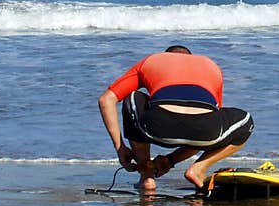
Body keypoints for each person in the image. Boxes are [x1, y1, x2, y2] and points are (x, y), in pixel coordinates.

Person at [98, 45, 254, 193]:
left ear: (166, 55)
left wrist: (120, 147)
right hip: (206, 132)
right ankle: (198, 169)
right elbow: (203, 122)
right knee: (244, 120)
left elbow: (106, 100)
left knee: (133, 97)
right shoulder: (211, 65)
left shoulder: (152, 60)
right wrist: (171, 160)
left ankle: (147, 176)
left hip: (158, 127)